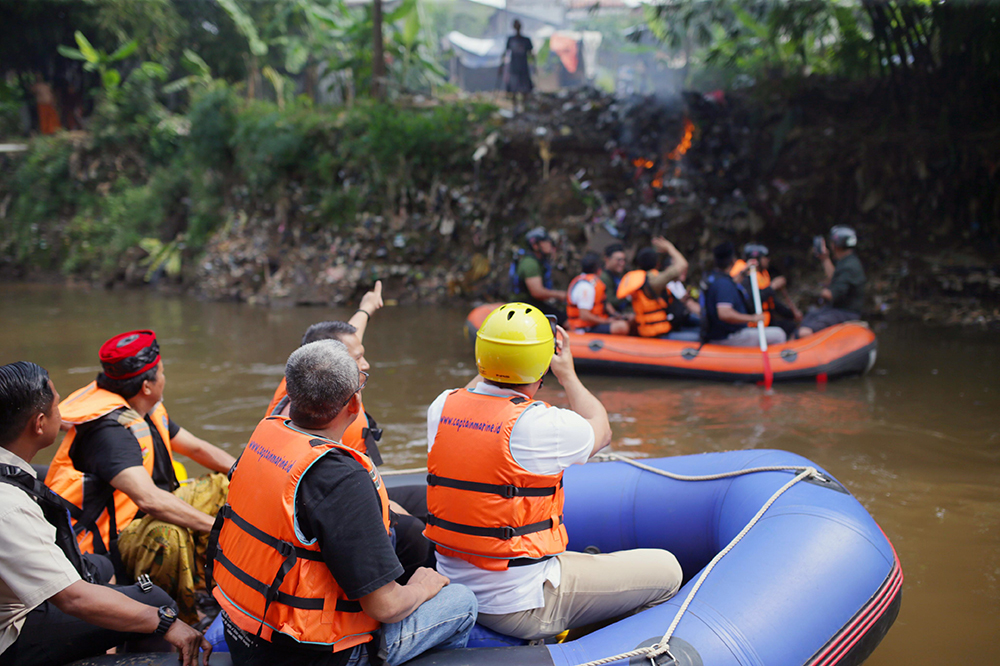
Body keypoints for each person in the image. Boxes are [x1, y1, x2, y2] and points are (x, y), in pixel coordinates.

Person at [425, 304, 682, 640]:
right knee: (668, 571)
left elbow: (481, 391)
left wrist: (503, 355)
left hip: (456, 586)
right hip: (519, 605)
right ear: (541, 364)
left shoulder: (441, 406)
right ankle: (581, 647)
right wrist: (567, 373)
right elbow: (602, 431)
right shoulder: (539, 425)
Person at [214, 340, 476, 666]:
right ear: (354, 405)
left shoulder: (263, 439)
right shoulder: (341, 477)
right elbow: (386, 607)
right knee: (461, 600)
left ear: (291, 394)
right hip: (311, 655)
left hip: (244, 632)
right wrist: (424, 586)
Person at [0, 362, 211, 666]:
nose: (64, 417)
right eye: (58, 406)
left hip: (13, 594)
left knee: (99, 563)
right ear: (39, 423)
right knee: (158, 603)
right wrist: (164, 622)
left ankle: (105, 651)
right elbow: (73, 599)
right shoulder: (11, 507)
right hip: (11, 633)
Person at [45, 330, 236, 623]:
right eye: (161, 372)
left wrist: (243, 471)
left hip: (140, 517)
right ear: (147, 385)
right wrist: (222, 529)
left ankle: (206, 581)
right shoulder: (109, 432)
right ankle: (182, 620)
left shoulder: (143, 407)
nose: (164, 378)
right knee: (167, 535)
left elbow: (196, 447)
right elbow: (149, 500)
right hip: (109, 548)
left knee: (225, 485)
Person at [266, 282, 433, 582]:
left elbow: (347, 338)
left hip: (358, 486)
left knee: (431, 499)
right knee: (417, 533)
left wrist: (367, 307)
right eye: (358, 359)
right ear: (331, 365)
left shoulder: (306, 376)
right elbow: (341, 492)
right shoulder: (322, 413)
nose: (366, 364)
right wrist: (392, 510)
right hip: (341, 499)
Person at [703, 242, 787, 347]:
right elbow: (724, 313)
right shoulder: (723, 284)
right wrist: (752, 318)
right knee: (779, 334)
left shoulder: (716, 278)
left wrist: (744, 272)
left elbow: (731, 284)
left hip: (724, 333)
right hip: (729, 336)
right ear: (733, 260)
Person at [616, 237, 700, 341]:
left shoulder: (639, 281)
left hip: (656, 331)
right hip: (660, 336)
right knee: (700, 337)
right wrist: (670, 248)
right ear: (657, 264)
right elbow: (682, 265)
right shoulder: (653, 282)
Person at [797, 226, 866, 338]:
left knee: (805, 331)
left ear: (835, 245)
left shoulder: (849, 267)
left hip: (845, 312)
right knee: (809, 316)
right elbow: (835, 279)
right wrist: (824, 258)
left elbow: (831, 294)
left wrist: (812, 289)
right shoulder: (847, 260)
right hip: (835, 309)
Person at [730, 244, 802, 339]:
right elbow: (751, 303)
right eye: (765, 257)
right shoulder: (745, 277)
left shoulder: (762, 274)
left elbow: (773, 303)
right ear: (756, 258)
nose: (768, 260)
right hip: (753, 325)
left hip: (767, 321)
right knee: (781, 333)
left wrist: (791, 314)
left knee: (791, 327)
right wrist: (772, 287)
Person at [511, 226, 566, 323]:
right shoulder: (530, 264)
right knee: (563, 319)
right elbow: (537, 292)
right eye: (545, 241)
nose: (549, 244)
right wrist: (559, 295)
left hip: (532, 304)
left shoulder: (539, 261)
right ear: (535, 245)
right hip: (524, 306)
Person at [565, 252, 629, 335]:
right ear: (599, 270)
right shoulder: (585, 286)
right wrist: (606, 321)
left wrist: (616, 315)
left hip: (594, 324)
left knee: (626, 320)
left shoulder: (593, 283)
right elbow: (584, 316)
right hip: (584, 328)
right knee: (622, 327)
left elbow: (605, 303)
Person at [504, 20, 533, 114]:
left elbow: (531, 54)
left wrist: (534, 66)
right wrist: (501, 66)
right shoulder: (510, 39)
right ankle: (515, 108)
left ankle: (524, 108)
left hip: (524, 68)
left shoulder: (526, 40)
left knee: (525, 89)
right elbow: (505, 53)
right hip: (514, 68)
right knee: (513, 89)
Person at [597, 243, 629, 317]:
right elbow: (610, 301)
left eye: (624, 260)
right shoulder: (604, 277)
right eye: (619, 260)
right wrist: (628, 295)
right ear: (607, 259)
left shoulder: (618, 274)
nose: (622, 263)